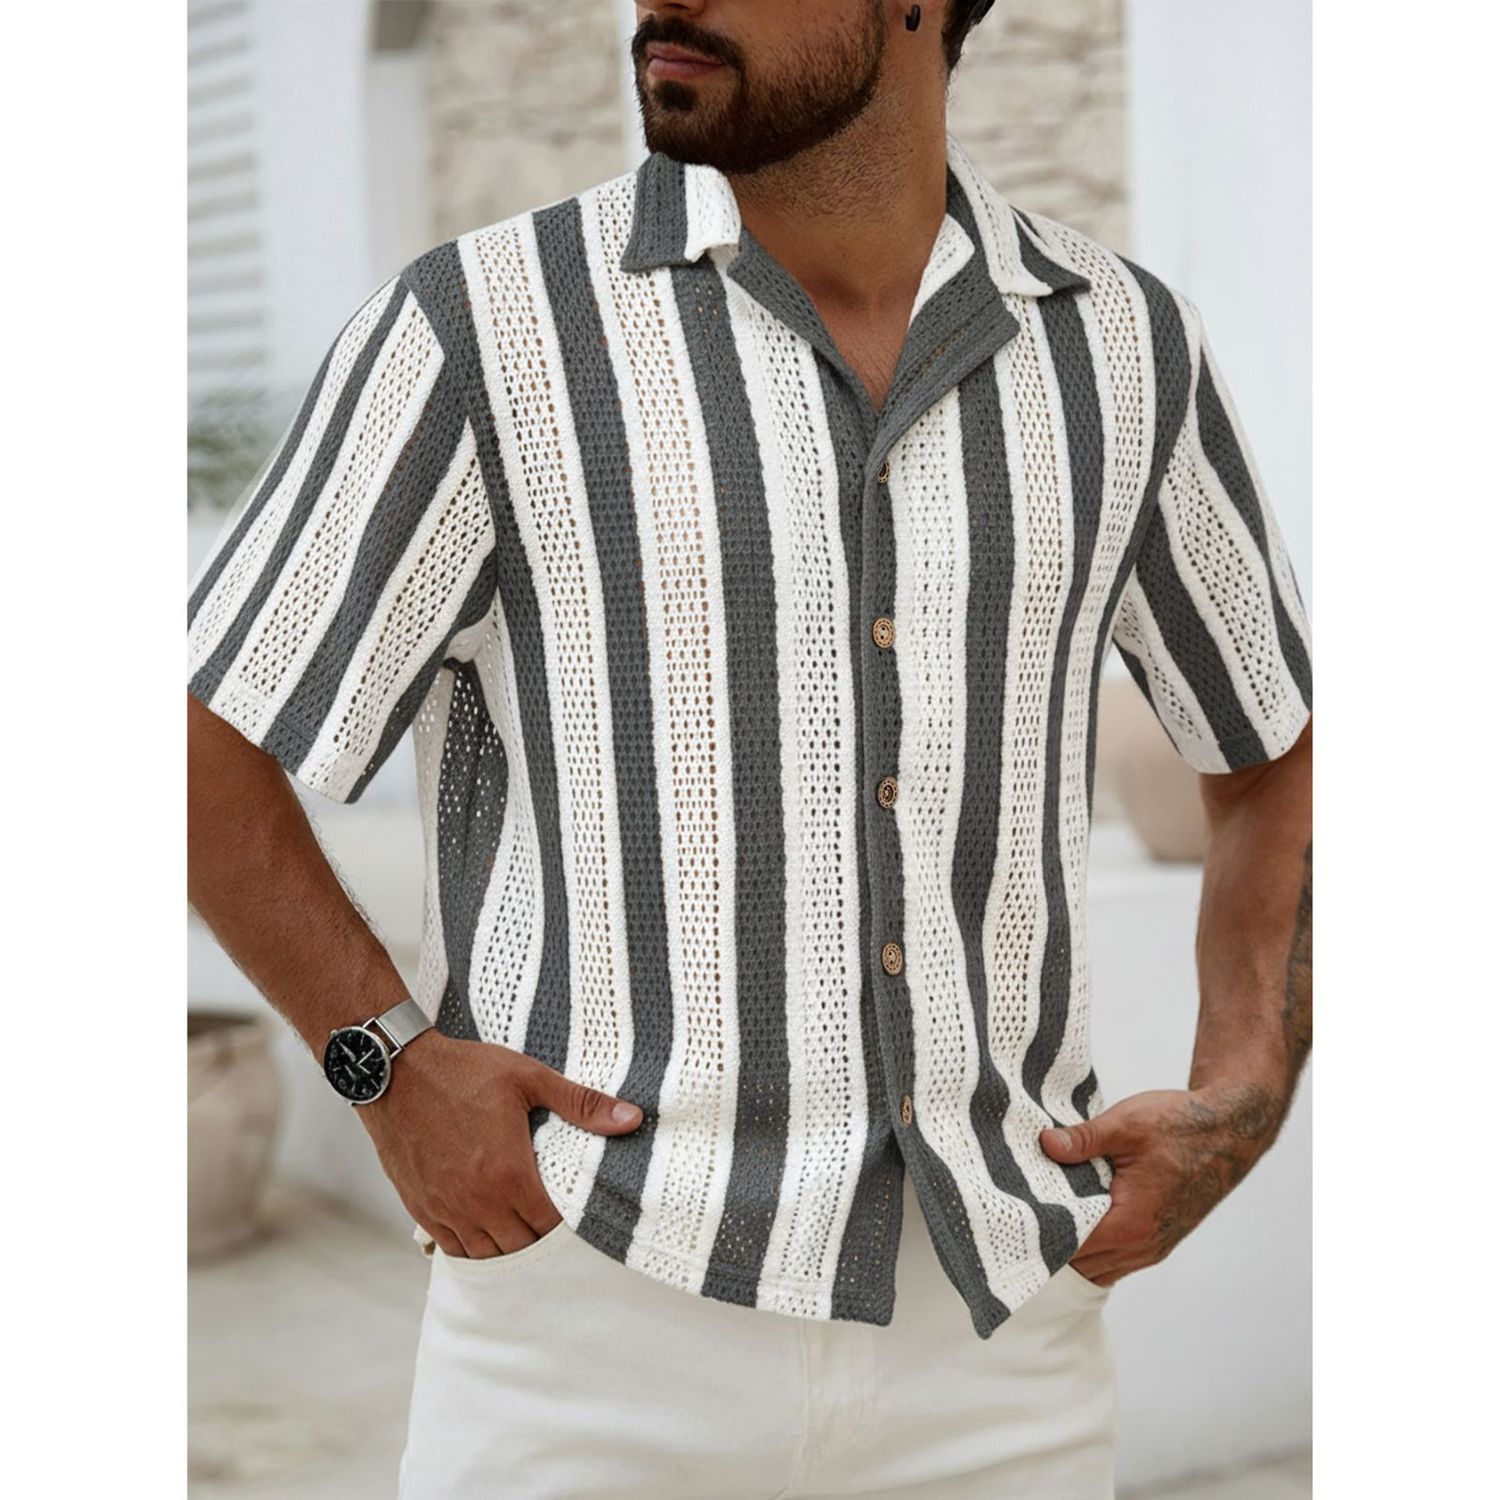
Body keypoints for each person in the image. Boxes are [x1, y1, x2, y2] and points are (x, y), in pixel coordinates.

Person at [185, 2, 1313, 1495]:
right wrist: (383, 1063)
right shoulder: (482, 329)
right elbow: (199, 738)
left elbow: (1270, 743)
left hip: (999, 1346)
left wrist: (1245, 1086)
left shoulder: (1122, 347)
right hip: (588, 1325)